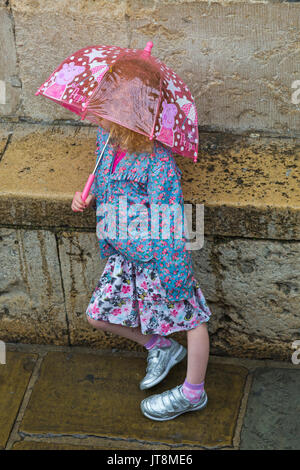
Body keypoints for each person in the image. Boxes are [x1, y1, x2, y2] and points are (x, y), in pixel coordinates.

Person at [71, 118, 212, 421]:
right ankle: (162, 347)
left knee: (192, 318)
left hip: (157, 256)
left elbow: (168, 215)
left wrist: (173, 272)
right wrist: (86, 195)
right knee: (97, 316)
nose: (113, 119)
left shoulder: (159, 161)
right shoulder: (107, 139)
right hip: (122, 251)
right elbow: (101, 178)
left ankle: (193, 391)